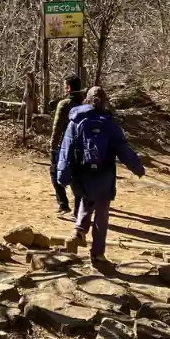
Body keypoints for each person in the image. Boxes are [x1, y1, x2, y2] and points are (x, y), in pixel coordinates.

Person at [56, 86, 145, 261]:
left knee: (85, 199)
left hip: (81, 174)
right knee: (102, 214)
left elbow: (66, 150)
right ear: (105, 102)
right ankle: (97, 254)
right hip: (104, 175)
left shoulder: (75, 121)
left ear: (85, 100)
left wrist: (62, 175)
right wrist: (137, 168)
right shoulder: (109, 124)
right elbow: (123, 149)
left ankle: (79, 231)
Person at [47, 74, 86, 216]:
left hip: (64, 144)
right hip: (81, 145)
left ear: (68, 87)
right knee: (77, 175)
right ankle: (78, 208)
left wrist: (53, 146)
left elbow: (57, 127)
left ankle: (63, 204)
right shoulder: (85, 103)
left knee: (54, 171)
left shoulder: (64, 104)